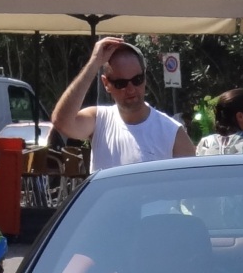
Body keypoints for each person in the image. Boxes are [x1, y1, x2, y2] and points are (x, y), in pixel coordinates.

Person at [51, 37, 196, 172]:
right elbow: (62, 122)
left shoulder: (172, 132)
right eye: (121, 83)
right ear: (106, 84)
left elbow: (193, 188)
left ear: (145, 78)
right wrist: (93, 64)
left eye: (137, 79)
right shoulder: (100, 120)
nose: (131, 89)